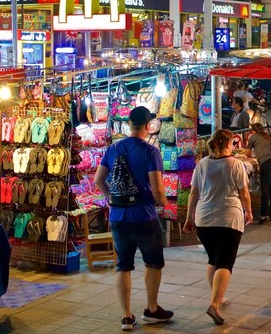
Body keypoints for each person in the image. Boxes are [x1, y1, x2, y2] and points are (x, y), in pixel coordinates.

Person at [93, 106, 173, 330]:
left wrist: (112, 197)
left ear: (129, 124)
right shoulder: (150, 152)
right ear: (148, 126)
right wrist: (164, 203)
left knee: (123, 265)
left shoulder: (113, 148)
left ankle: (126, 316)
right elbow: (157, 189)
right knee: (153, 263)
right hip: (144, 216)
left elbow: (99, 180)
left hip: (118, 217)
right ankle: (152, 308)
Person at [182, 129, 253, 326]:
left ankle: (218, 297)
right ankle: (214, 304)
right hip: (228, 219)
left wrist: (189, 218)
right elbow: (244, 193)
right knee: (225, 263)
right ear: (228, 144)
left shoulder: (202, 164)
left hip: (203, 220)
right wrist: (249, 211)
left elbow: (193, 194)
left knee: (213, 259)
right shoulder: (236, 164)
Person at [245, 122, 271, 223]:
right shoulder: (267, 135)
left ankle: (264, 214)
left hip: (266, 162)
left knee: (265, 188)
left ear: (253, 131)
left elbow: (247, 153)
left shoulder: (253, 137)